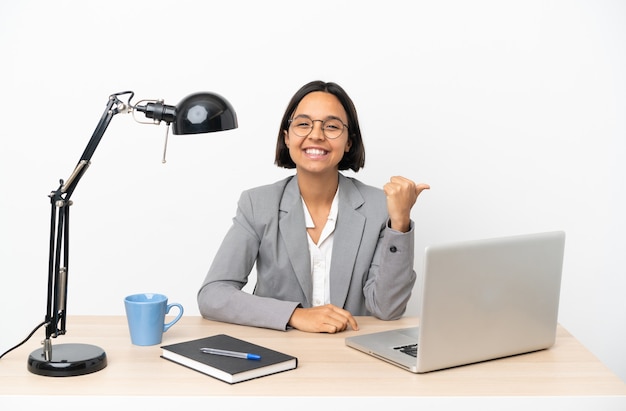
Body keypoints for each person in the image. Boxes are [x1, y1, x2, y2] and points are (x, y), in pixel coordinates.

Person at [197, 80, 429, 333]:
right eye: (303, 124)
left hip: (353, 353)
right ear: (287, 137)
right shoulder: (257, 204)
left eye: (331, 126)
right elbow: (213, 295)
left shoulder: (378, 207)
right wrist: (295, 315)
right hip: (279, 351)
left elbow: (387, 309)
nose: (316, 135)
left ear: (348, 142)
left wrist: (400, 222)